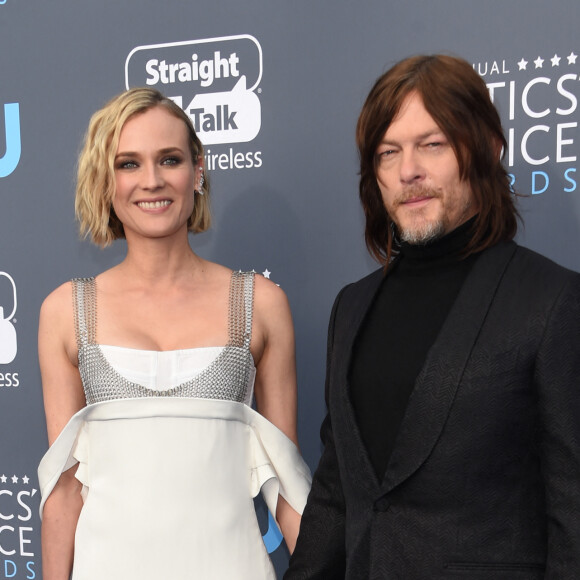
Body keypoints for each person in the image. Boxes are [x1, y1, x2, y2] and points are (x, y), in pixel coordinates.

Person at [286, 54, 580, 579]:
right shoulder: (351, 307)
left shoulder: (553, 301)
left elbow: (573, 511)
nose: (409, 171)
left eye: (432, 145)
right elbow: (336, 494)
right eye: (388, 152)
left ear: (488, 148)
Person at [37, 87, 311, 580]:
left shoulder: (261, 304)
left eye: (169, 159)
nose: (152, 181)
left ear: (197, 170)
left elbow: (287, 482)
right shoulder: (65, 311)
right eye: (128, 164)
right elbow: (62, 493)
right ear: (105, 180)